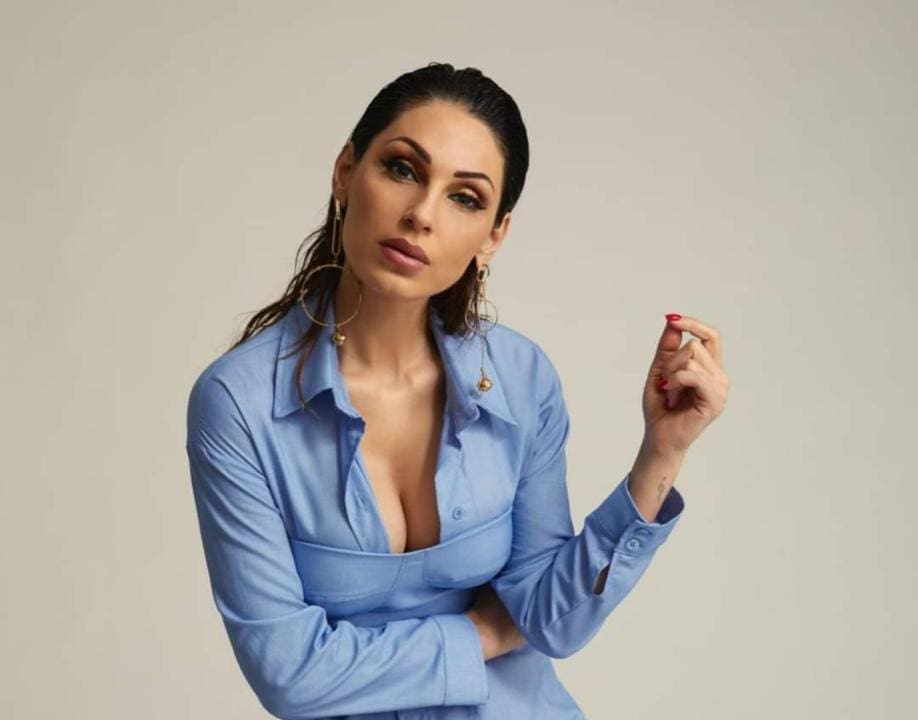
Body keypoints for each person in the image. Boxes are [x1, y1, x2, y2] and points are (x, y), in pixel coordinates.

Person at [185, 62, 730, 720]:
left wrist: (662, 452)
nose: (421, 215)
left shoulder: (521, 378)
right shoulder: (240, 402)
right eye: (402, 169)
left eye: (465, 198)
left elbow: (552, 621)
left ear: (494, 234)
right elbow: (290, 676)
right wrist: (485, 634)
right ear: (345, 172)